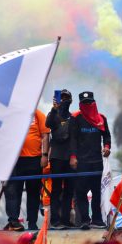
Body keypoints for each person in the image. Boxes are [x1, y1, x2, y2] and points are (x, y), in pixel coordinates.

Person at [70, 91, 111, 230]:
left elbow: (106, 136)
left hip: (97, 162)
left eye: (90, 103)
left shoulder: (101, 118)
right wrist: (73, 157)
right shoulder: (75, 118)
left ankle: (97, 219)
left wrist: (106, 147)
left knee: (97, 192)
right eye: (85, 103)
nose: (88, 105)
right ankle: (84, 221)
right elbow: (73, 139)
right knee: (81, 192)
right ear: (81, 104)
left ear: (94, 103)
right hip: (81, 163)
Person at [3, 109, 50, 231]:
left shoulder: (38, 114)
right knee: (13, 191)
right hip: (15, 160)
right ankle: (13, 221)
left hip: (35, 160)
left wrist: (45, 155)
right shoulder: (12, 114)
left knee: (33, 193)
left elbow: (45, 135)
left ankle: (32, 222)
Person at [46, 89, 76, 229]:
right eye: (61, 98)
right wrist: (54, 109)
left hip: (69, 158)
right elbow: (48, 124)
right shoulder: (53, 115)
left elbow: (74, 139)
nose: (64, 100)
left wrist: (73, 156)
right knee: (56, 189)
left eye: (66, 98)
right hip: (57, 157)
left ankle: (65, 220)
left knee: (69, 190)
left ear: (70, 100)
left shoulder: (72, 117)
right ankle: (55, 221)